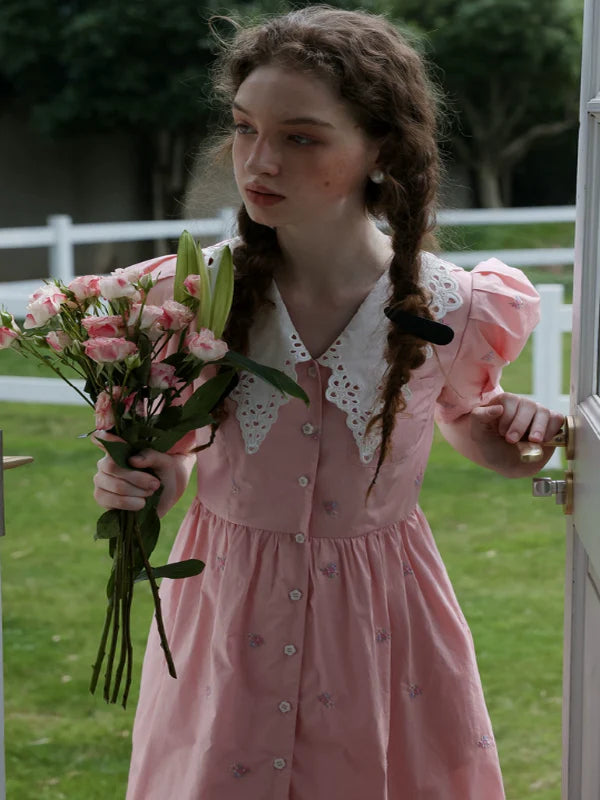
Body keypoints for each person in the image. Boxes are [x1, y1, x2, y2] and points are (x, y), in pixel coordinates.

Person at [93, 7, 564, 798]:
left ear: (380, 150)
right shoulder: (196, 294)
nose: (259, 161)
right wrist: (138, 481)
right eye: (245, 128)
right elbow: (172, 459)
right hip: (229, 611)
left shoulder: (444, 305)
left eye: (301, 137)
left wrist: (515, 433)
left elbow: (462, 423)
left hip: (382, 624)